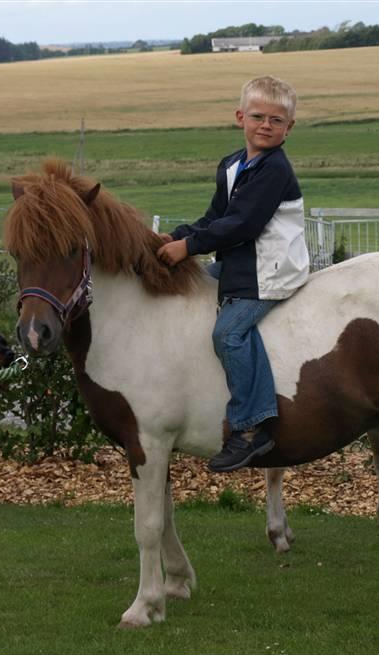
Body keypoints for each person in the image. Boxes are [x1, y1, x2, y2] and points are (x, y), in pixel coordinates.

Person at [157, 75, 309, 473]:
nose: (266, 126)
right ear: (240, 116)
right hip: (241, 263)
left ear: (289, 127)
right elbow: (215, 218)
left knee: (229, 332)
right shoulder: (232, 165)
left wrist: (187, 248)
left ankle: (251, 426)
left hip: (269, 270)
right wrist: (175, 236)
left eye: (277, 121)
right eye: (258, 116)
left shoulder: (274, 170)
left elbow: (242, 225)